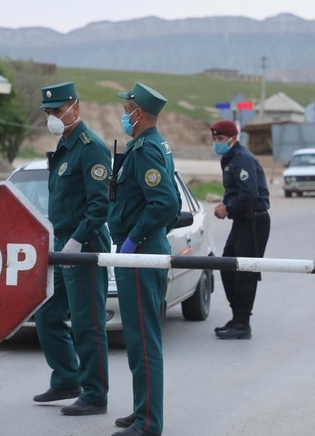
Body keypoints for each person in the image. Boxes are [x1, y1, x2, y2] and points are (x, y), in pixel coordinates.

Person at [31, 81, 112, 417]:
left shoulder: (90, 146)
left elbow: (99, 205)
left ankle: (94, 394)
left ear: (75, 108)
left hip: (85, 243)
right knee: (47, 314)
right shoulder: (65, 144)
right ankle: (67, 378)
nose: (52, 116)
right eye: (48, 112)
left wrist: (79, 238)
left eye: (57, 110)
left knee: (87, 323)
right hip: (63, 242)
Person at [108, 82, 181, 436]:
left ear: (139, 113)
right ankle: (142, 410)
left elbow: (166, 202)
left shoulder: (147, 149)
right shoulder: (147, 145)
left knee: (144, 339)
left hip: (142, 254)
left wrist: (136, 237)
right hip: (139, 251)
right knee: (137, 337)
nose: (124, 113)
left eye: (127, 109)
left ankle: (149, 422)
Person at [210, 120, 271, 340]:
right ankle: (237, 317)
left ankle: (242, 323)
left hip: (254, 220)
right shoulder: (230, 157)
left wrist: (228, 208)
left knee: (244, 272)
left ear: (233, 138)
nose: (216, 143)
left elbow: (249, 194)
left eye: (220, 139)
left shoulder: (242, 158)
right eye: (214, 139)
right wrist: (228, 206)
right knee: (228, 266)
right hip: (243, 220)